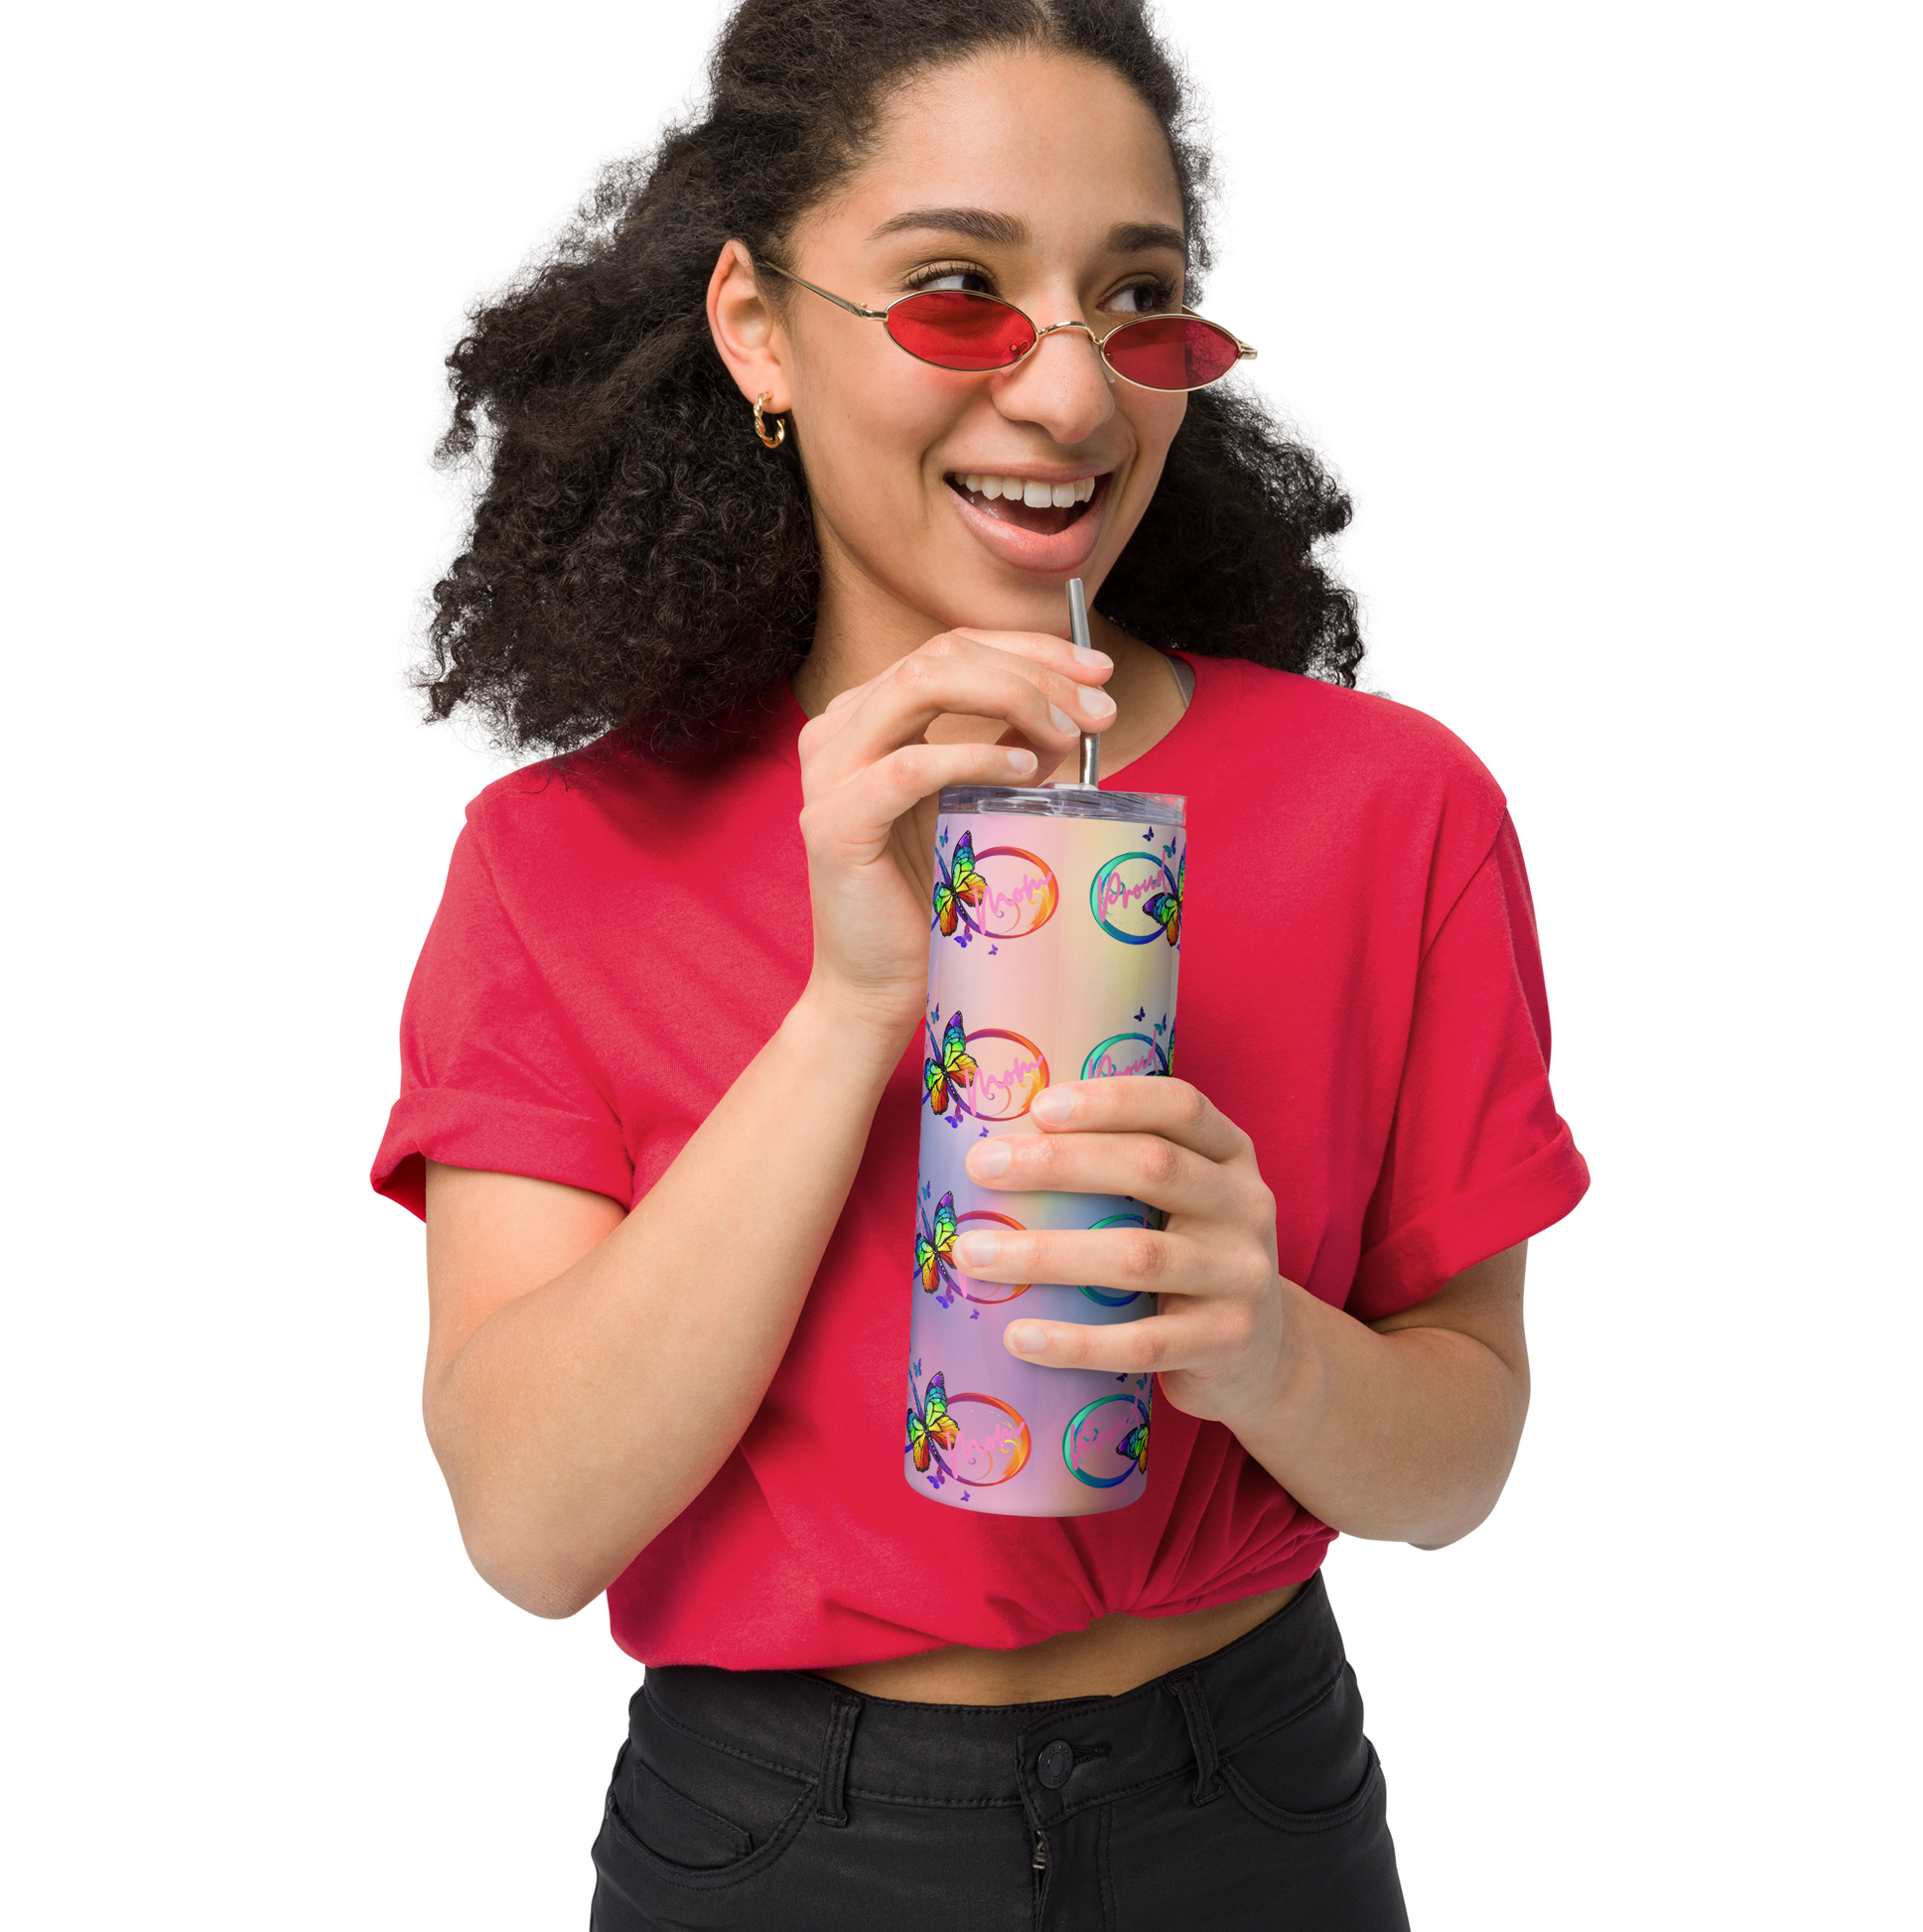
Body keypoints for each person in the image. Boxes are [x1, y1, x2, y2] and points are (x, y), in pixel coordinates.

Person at [370, 2, 1590, 1924]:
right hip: (775, 1834)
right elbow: (528, 1532)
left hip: (1256, 1796)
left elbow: (1463, 1464)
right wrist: (855, 1003)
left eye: (1136, 302)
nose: (1074, 398)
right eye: (958, 295)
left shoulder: (1396, 806)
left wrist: (1271, 1347)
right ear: (757, 328)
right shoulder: (555, 856)